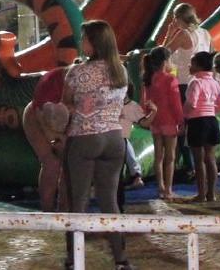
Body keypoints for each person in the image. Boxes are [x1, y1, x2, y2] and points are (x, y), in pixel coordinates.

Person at [62, 20, 131, 270]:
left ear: (94, 43)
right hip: (114, 139)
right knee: (110, 202)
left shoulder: (77, 72)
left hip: (84, 138)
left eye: (84, 39)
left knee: (77, 202)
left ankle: (73, 259)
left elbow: (65, 106)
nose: (81, 43)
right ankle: (121, 260)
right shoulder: (120, 71)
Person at [163, 3, 212, 177]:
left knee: (182, 124)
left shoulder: (184, 34)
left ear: (177, 18)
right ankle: (203, 164)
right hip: (204, 83)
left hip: (185, 83)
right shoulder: (205, 33)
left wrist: (169, 34)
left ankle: (189, 165)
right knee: (199, 122)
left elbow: (163, 53)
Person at [183, 50, 220, 203]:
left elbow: (192, 103)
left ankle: (201, 194)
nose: (190, 65)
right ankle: (211, 194)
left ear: (198, 66)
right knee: (210, 158)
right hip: (211, 121)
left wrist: (185, 115)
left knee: (198, 160)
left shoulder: (195, 82)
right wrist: (211, 110)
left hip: (197, 122)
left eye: (192, 63)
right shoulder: (215, 82)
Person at [23, 66, 70, 211]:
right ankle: (47, 210)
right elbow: (39, 113)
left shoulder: (85, 86)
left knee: (69, 166)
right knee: (51, 163)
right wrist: (54, 140)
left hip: (65, 122)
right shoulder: (51, 81)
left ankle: (65, 211)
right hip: (37, 117)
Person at [140, 46, 183, 201]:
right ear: (166, 61)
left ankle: (160, 188)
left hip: (155, 121)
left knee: (158, 157)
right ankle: (168, 190)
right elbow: (175, 103)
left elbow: (144, 102)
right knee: (170, 157)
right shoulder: (170, 79)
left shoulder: (147, 78)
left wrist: (147, 116)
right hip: (169, 121)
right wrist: (181, 120)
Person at [118, 94, 152, 190]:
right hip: (113, 137)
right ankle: (136, 175)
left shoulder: (130, 106)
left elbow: (144, 122)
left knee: (123, 140)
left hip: (118, 138)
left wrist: (154, 112)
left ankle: (136, 176)